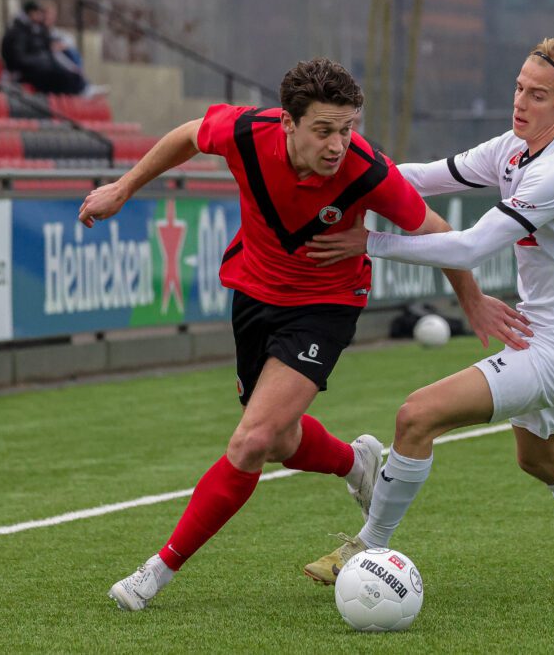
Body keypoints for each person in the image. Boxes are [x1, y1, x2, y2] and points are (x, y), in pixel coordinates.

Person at [79, 58, 527, 611]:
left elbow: (436, 230)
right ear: (288, 123)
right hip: (253, 293)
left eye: (347, 128)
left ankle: (157, 570)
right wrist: (123, 188)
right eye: (323, 130)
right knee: (278, 440)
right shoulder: (247, 132)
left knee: (251, 441)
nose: (338, 144)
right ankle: (355, 463)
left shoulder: (366, 169)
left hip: (326, 304)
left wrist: (472, 300)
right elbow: (189, 134)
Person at [302, 39, 554, 590]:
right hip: (549, 330)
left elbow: (469, 247)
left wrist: (369, 242)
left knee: (416, 416)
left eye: (537, 95)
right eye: (519, 87)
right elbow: (421, 177)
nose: (520, 101)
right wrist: (344, 169)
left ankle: (368, 545)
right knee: (541, 459)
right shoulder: (516, 147)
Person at [0, 0, 87, 95]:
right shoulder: (19, 32)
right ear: (31, 13)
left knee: (71, 70)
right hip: (25, 73)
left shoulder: (36, 30)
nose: (41, 17)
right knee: (63, 77)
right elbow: (19, 59)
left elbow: (46, 46)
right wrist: (43, 60)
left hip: (40, 67)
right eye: (38, 13)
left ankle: (83, 90)